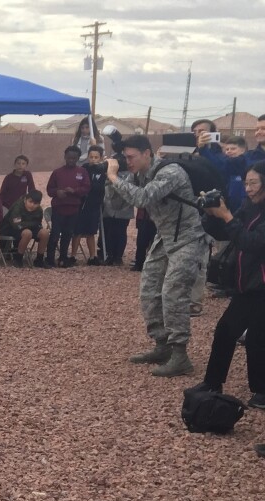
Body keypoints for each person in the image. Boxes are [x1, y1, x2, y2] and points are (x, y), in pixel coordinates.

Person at [109, 134, 213, 377]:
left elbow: (142, 198)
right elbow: (118, 199)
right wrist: (114, 178)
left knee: (173, 293)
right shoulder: (141, 174)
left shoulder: (171, 172)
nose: (128, 162)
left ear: (148, 153)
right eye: (125, 157)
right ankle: (162, 344)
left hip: (188, 236)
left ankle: (180, 355)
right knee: (149, 289)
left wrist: (114, 176)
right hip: (165, 236)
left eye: (132, 157)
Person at [193, 162, 265, 407]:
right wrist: (212, 214)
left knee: (257, 339)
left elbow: (252, 242)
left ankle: (261, 390)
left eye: (253, 183)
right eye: (246, 183)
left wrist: (226, 216)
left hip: (262, 286)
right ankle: (213, 382)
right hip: (248, 284)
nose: (248, 188)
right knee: (226, 331)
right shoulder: (249, 206)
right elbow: (229, 233)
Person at [45, 145, 89, 267]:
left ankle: (63, 258)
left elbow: (86, 188)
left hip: (73, 208)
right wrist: (57, 192)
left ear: (78, 158)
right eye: (69, 157)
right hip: (59, 207)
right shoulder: (57, 172)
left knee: (67, 234)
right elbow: (49, 189)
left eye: (74, 158)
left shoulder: (82, 172)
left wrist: (74, 191)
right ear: (65, 157)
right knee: (55, 234)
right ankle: (49, 258)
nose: (71, 160)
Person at [73, 145, 108, 265]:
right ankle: (73, 256)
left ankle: (93, 257)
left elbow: (102, 187)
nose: (93, 159)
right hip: (82, 204)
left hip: (95, 205)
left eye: (96, 157)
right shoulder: (84, 168)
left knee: (91, 232)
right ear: (88, 157)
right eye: (91, 157)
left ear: (101, 158)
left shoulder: (103, 170)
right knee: (77, 231)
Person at [1, 191, 51, 267]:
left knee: (45, 233)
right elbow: (16, 224)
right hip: (11, 229)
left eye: (36, 203)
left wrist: (28, 224)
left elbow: (38, 224)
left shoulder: (39, 210)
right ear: (25, 200)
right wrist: (31, 224)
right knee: (27, 233)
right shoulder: (18, 206)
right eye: (30, 202)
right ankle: (18, 259)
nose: (32, 205)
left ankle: (39, 259)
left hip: (28, 228)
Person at [101, 163, 134, 266]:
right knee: (109, 232)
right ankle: (110, 255)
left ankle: (118, 256)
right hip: (109, 207)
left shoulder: (131, 175)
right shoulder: (109, 173)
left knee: (120, 232)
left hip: (124, 208)